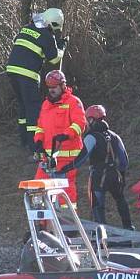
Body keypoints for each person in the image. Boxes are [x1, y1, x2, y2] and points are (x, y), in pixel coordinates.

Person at [58, 104, 134, 230]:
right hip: (115, 175)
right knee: (120, 200)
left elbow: (81, 159)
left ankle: (102, 234)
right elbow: (124, 160)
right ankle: (129, 227)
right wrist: (122, 176)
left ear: (91, 120)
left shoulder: (91, 137)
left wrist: (65, 168)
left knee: (98, 206)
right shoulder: (115, 136)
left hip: (99, 177)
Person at [5, 8, 66, 151]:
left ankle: (24, 140)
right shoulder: (47, 36)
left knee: (23, 106)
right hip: (27, 75)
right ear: (52, 24)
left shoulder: (26, 28)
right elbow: (54, 59)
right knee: (33, 108)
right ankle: (35, 146)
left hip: (12, 71)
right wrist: (61, 47)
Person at [32, 70, 86, 203]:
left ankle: (66, 221)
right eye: (49, 87)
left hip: (66, 157)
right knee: (38, 188)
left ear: (62, 86)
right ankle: (41, 222)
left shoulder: (73, 102)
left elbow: (80, 124)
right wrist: (38, 141)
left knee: (64, 191)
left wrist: (66, 135)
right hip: (47, 156)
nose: (51, 90)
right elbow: (40, 126)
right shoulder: (46, 105)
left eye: (54, 87)